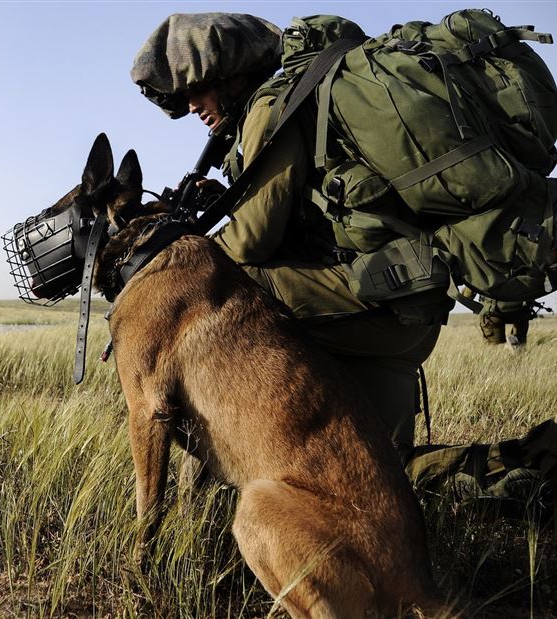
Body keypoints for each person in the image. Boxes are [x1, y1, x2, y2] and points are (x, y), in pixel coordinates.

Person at [130, 12, 555, 500]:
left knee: (215, 286)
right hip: (404, 306)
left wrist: (180, 255)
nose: (193, 107)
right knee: (383, 475)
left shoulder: (271, 106)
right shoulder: (309, 101)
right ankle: (531, 464)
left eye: (197, 90)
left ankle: (213, 489)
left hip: (376, 301)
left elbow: (250, 242)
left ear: (229, 74)